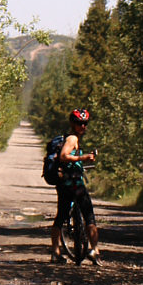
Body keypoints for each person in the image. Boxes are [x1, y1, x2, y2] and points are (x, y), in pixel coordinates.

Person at [50, 109, 100, 264]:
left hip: (65, 183)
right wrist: (83, 157)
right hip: (74, 184)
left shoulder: (70, 138)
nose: (83, 126)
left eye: (85, 123)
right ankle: (95, 250)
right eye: (79, 123)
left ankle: (55, 252)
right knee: (89, 216)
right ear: (72, 123)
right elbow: (64, 156)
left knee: (60, 217)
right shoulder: (72, 139)